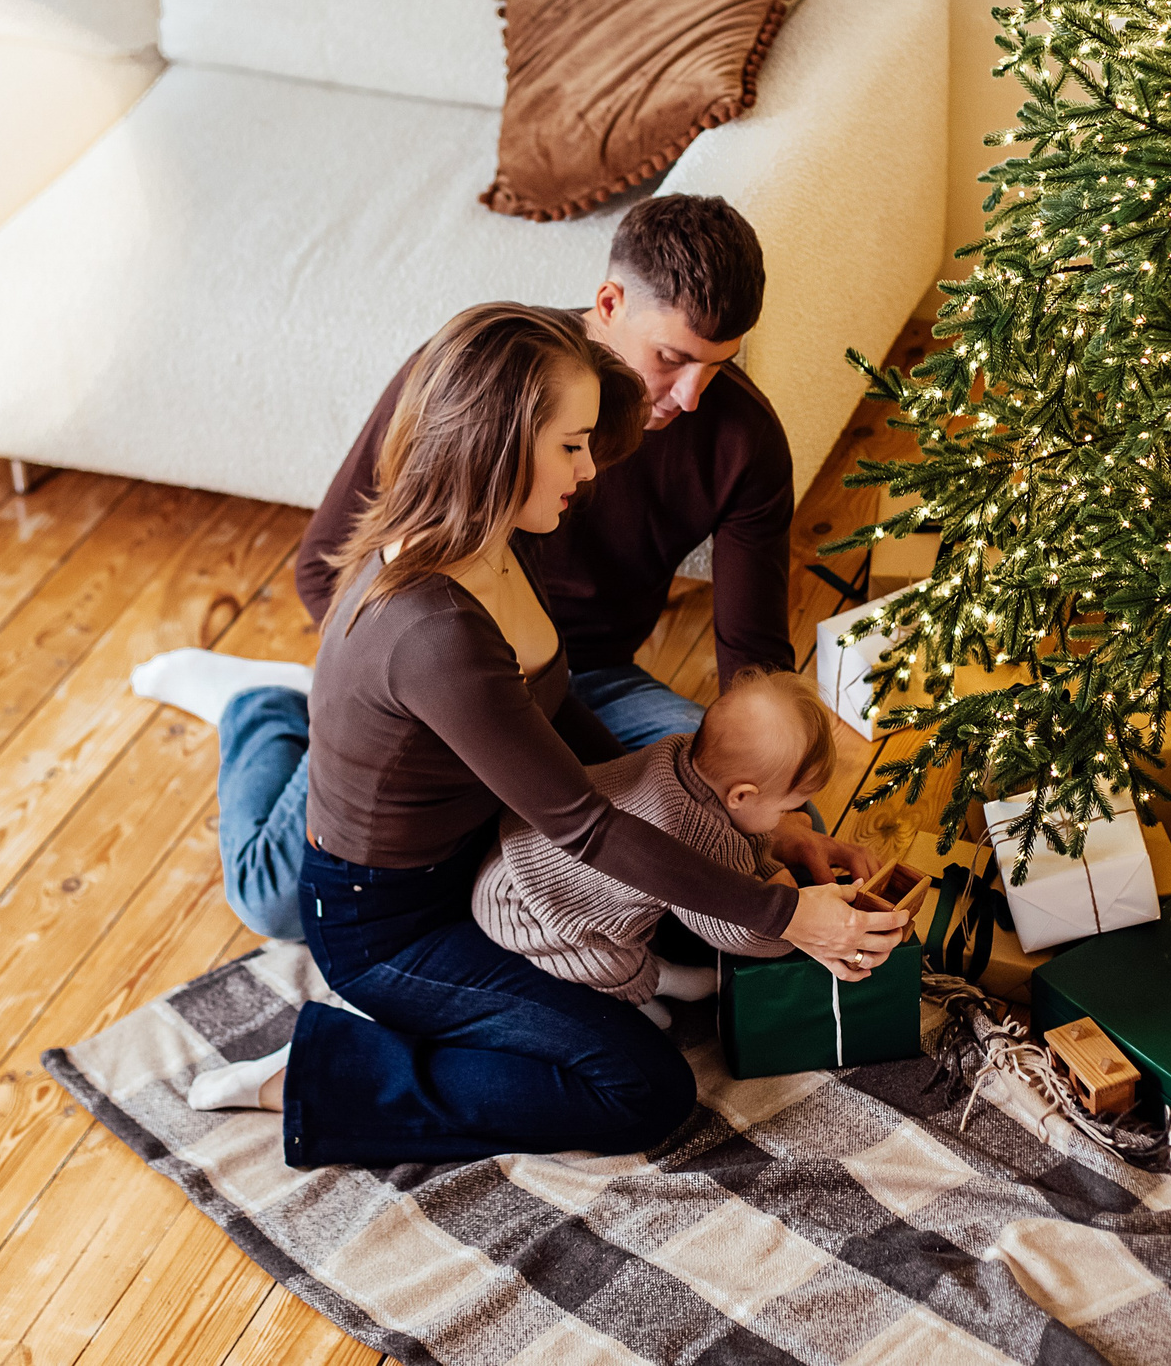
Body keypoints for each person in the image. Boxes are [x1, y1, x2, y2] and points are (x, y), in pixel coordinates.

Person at [176, 305, 906, 1165]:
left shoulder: (499, 544)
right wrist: (788, 914)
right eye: (570, 445)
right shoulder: (434, 628)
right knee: (642, 1087)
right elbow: (586, 825)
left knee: (695, 914)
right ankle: (319, 1071)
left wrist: (759, 829)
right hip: (391, 925)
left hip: (491, 849)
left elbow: (574, 735)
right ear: (497, 446)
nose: (589, 468)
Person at [131, 194, 876, 942]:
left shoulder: (742, 438)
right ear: (609, 302)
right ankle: (261, 708)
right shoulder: (483, 381)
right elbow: (329, 570)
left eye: (718, 366)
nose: (690, 395)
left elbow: (754, 665)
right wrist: (448, 707)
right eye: (672, 359)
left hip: (587, 679)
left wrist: (769, 810)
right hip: (442, 686)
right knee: (274, 902)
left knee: (741, 818)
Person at [469, 668, 831, 1023]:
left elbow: (743, 846)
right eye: (786, 809)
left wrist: (772, 871)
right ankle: (657, 981)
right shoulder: (692, 834)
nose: (788, 817)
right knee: (606, 961)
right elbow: (735, 929)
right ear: (740, 795)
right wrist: (795, 931)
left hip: (526, 846)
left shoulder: (681, 753)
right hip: (525, 907)